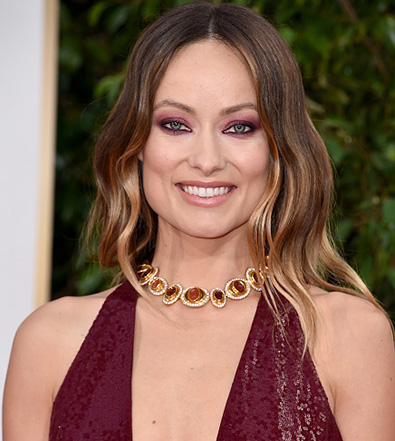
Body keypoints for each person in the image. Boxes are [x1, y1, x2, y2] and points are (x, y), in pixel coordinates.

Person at [3, 2, 395, 440]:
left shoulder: (349, 337)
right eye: (175, 124)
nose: (206, 160)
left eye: (239, 127)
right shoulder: (49, 344)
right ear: (136, 144)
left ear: (279, 150)